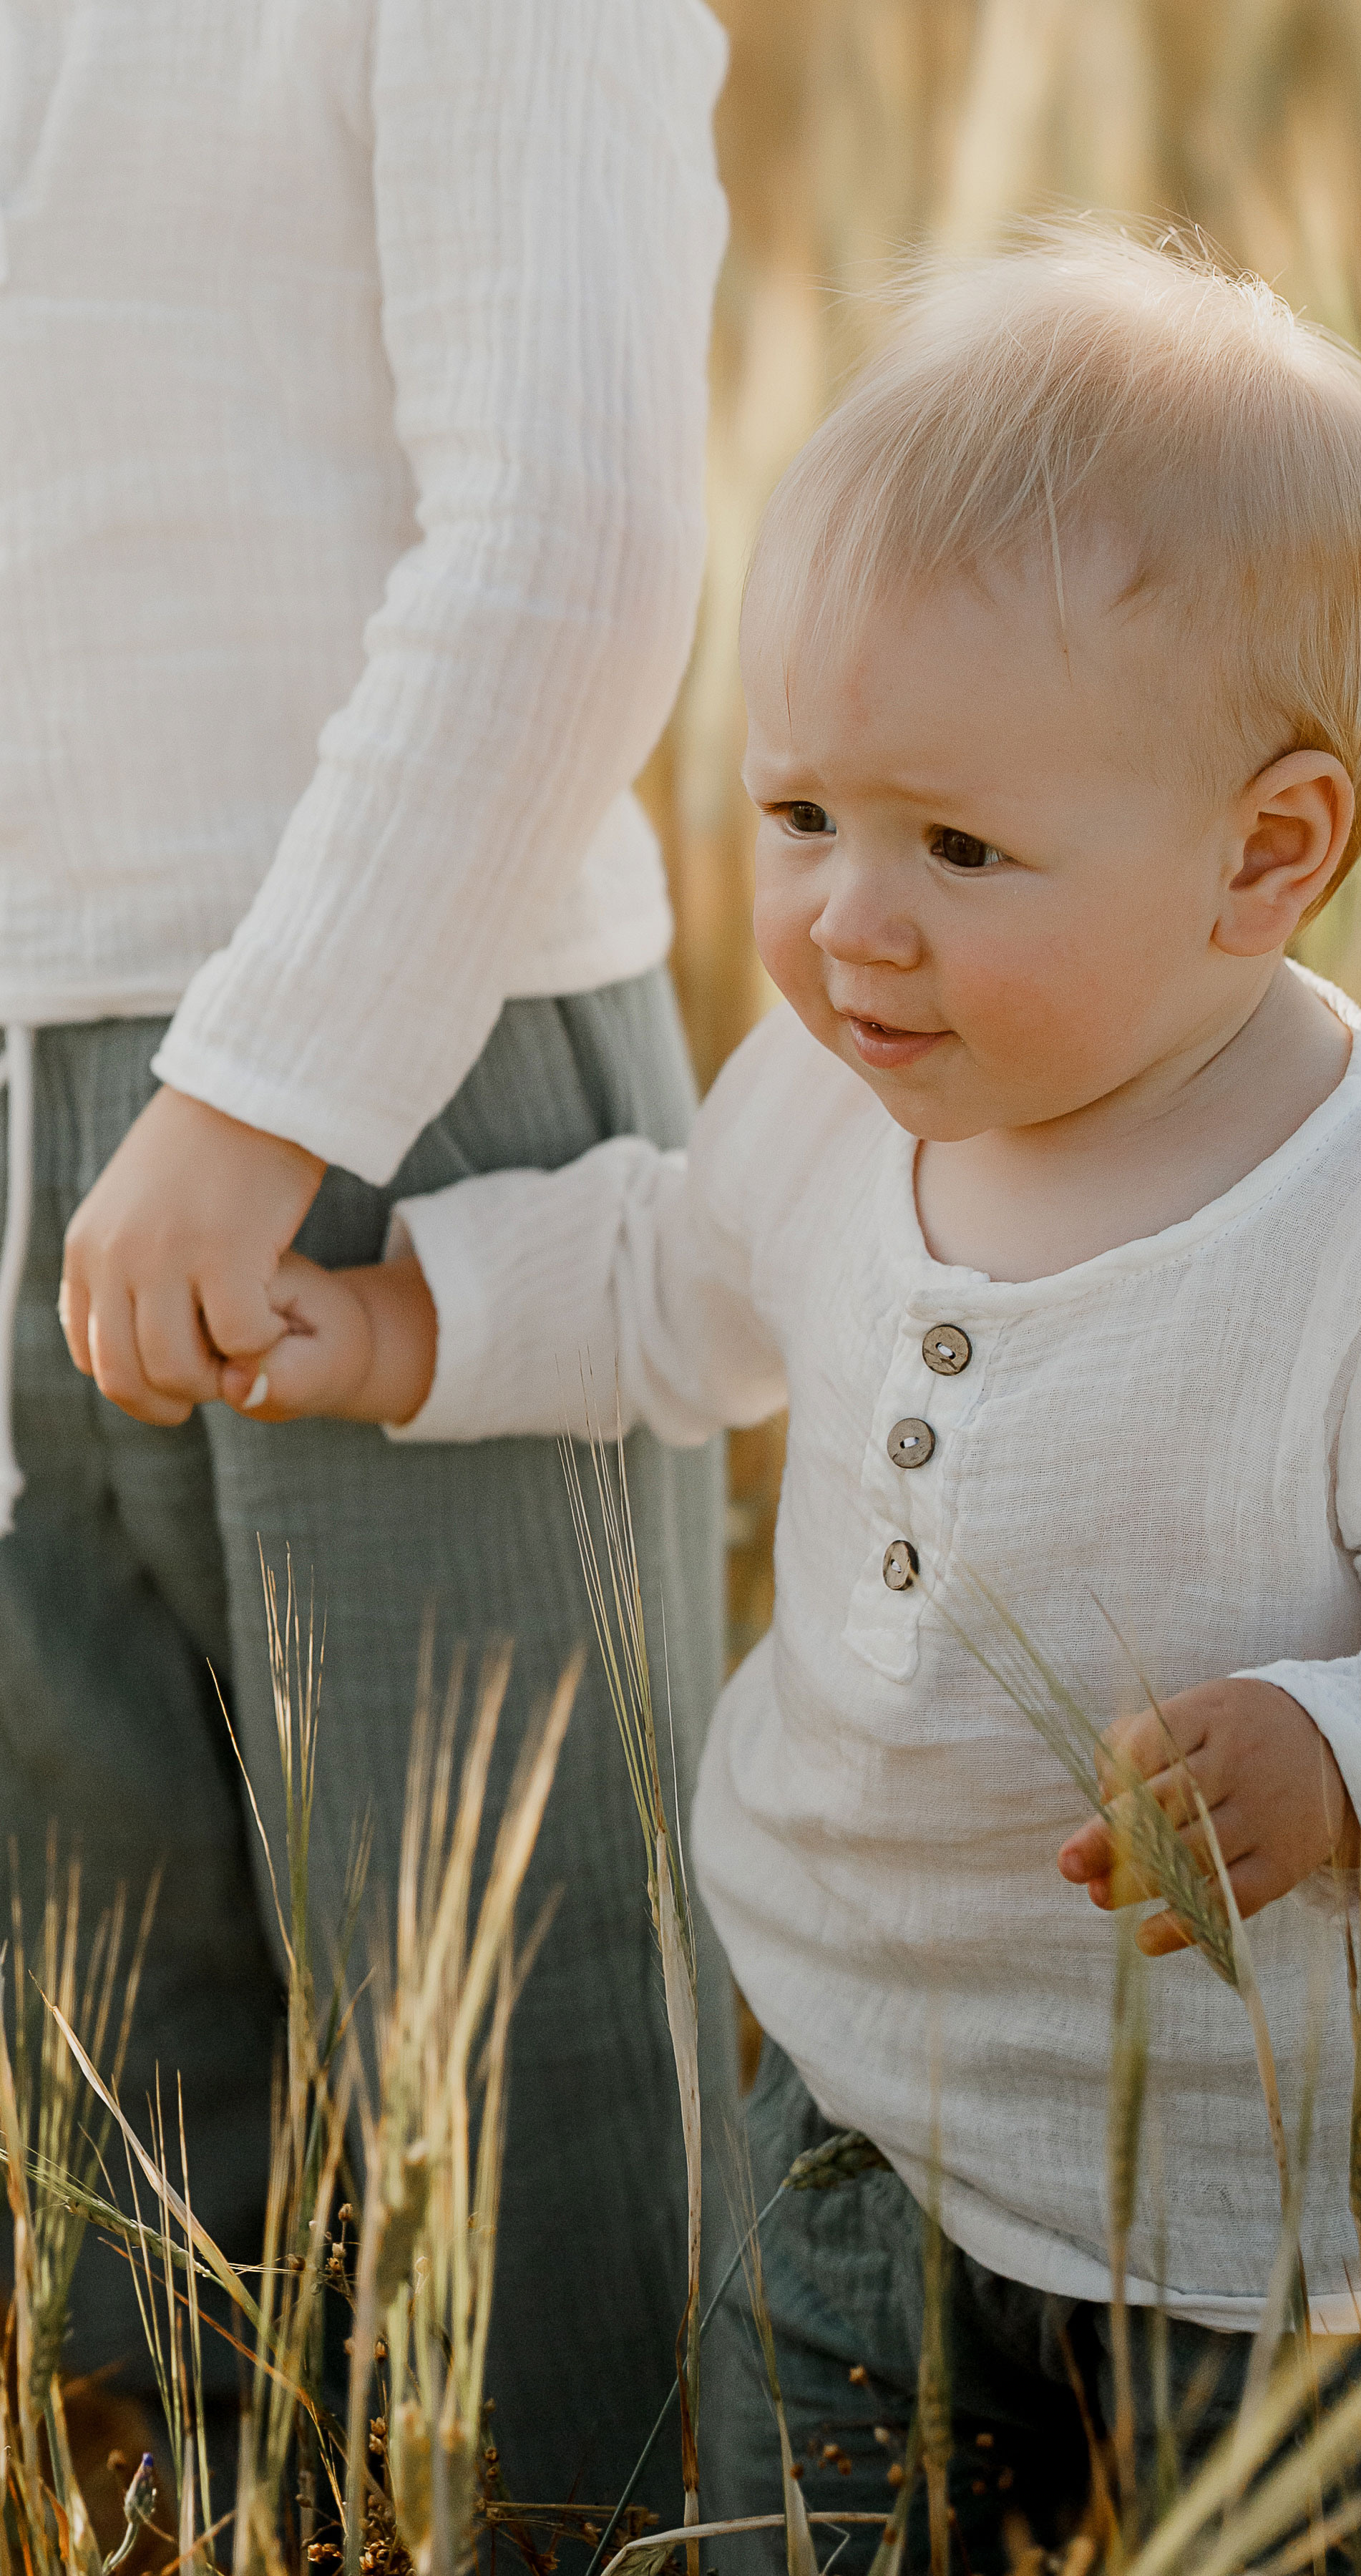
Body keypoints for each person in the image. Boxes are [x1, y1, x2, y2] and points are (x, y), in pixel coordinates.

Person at [208, 232, 1361, 2570]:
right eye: (802, 815)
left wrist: (1341, 1753)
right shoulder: (841, 1095)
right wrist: (404, 1325)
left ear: (1268, 852)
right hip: (861, 2102)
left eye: (960, 848)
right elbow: (669, 1276)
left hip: (1299, 2237)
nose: (846, 927)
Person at [0, 0, 733, 2514]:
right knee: (125, 2119)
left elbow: (573, 528)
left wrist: (262, 1089)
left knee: (542, 2114)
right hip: (23, 1080)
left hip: (401, 1085)